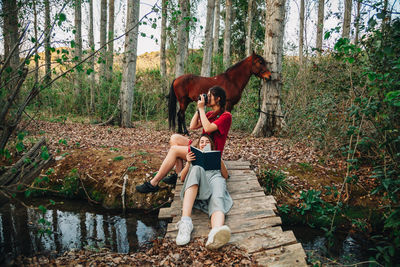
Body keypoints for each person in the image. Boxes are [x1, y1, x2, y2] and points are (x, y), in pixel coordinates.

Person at [136, 86, 232, 193]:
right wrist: (199, 109)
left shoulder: (226, 116)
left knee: (174, 150)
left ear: (218, 98)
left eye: (210, 96)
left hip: (209, 155)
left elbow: (208, 127)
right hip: (201, 147)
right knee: (174, 138)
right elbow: (193, 126)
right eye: (207, 95)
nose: (207, 98)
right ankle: (180, 173)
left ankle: (153, 183)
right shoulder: (210, 114)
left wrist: (201, 109)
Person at [176, 134, 232, 249]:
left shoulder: (216, 158)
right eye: (202, 142)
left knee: (218, 195)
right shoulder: (193, 158)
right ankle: (185, 222)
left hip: (214, 179)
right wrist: (188, 163)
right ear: (198, 145)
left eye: (207, 142)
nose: (204, 143)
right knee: (197, 168)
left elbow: (225, 176)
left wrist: (219, 161)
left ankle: (215, 233)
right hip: (198, 185)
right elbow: (182, 178)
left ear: (211, 145)